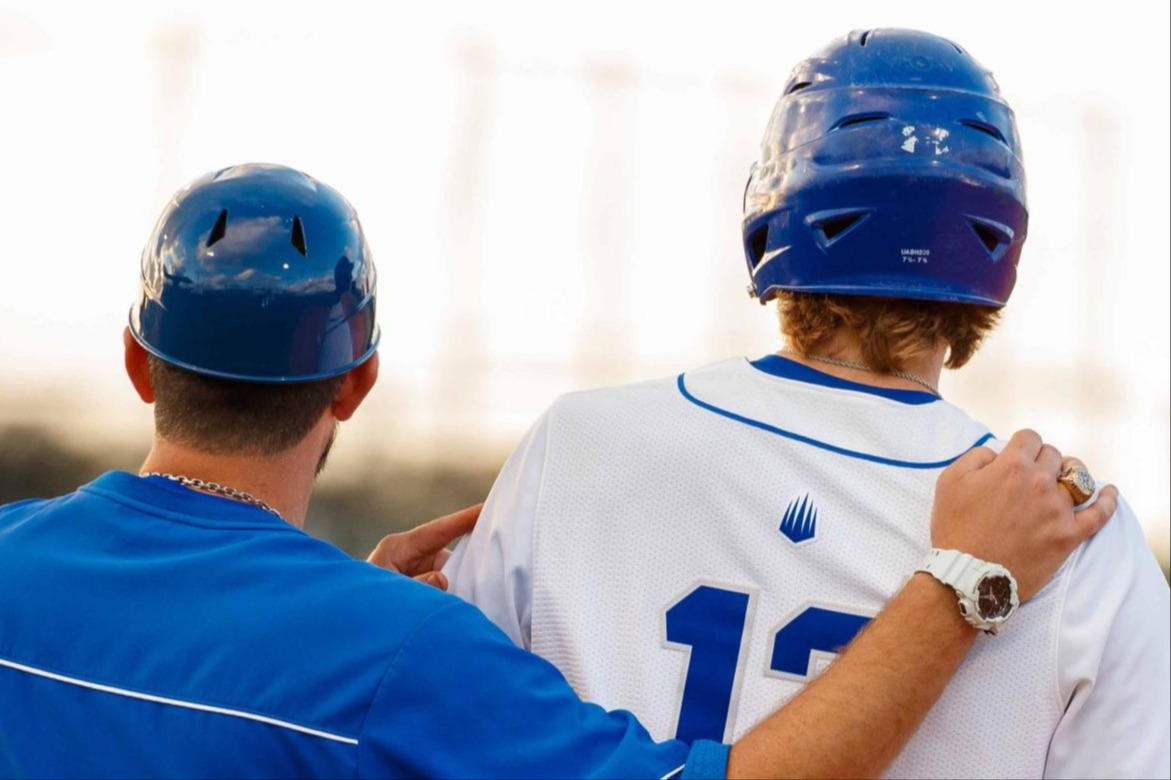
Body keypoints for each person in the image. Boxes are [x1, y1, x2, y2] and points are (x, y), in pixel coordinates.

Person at [0, 164, 1114, 780]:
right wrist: (961, 578)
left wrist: (331, 598)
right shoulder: (398, 658)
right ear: (356, 384)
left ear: (138, 361)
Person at [444, 29, 1171, 779]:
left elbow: (446, 738)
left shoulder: (577, 443)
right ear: (998, 244)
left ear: (773, 212)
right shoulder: (1074, 538)